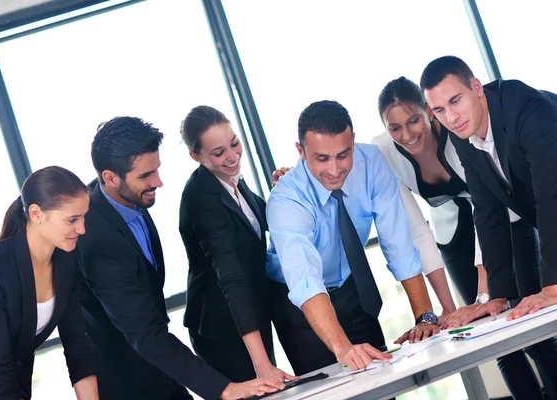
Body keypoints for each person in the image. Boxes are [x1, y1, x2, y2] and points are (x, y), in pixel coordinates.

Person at [76, 116, 284, 400]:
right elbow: (144, 333)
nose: (158, 182)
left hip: (162, 370)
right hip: (129, 382)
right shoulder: (96, 240)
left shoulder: (126, 197)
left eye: (156, 170)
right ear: (110, 177)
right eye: (145, 176)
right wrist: (225, 388)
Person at [374, 76, 545, 399]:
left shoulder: (456, 133)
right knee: (487, 337)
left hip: (504, 219)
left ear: (428, 111)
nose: (407, 135)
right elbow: (418, 231)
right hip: (452, 231)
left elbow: (487, 210)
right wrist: (446, 310)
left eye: (413, 120)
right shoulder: (384, 152)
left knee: (529, 324)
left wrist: (485, 295)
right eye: (394, 128)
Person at [266, 100, 439, 376]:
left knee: (380, 380)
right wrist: (342, 347)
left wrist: (425, 316)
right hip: (299, 304)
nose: (335, 170)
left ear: (353, 142)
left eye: (343, 155)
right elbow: (306, 281)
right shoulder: (286, 199)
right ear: (300, 151)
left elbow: (399, 244)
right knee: (335, 391)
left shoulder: (371, 163)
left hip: (352, 288)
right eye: (322, 158)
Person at [421, 55, 557, 399]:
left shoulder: (525, 108)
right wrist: (496, 295)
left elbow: (552, 196)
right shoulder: (461, 140)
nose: (451, 117)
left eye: (456, 101)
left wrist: (553, 285)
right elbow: (488, 212)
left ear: (476, 88)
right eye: (439, 110)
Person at [0, 166, 98, 400]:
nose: (81, 229)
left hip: (14, 387)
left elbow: (78, 350)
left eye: (84, 217)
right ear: (36, 214)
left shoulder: (66, 262)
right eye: (72, 219)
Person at [178, 105, 296, 383]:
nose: (232, 156)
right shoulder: (200, 198)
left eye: (234, 143)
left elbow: (258, 223)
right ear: (196, 156)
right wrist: (261, 362)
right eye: (219, 153)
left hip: (249, 314)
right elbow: (230, 277)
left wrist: (283, 191)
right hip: (222, 327)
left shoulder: (231, 180)